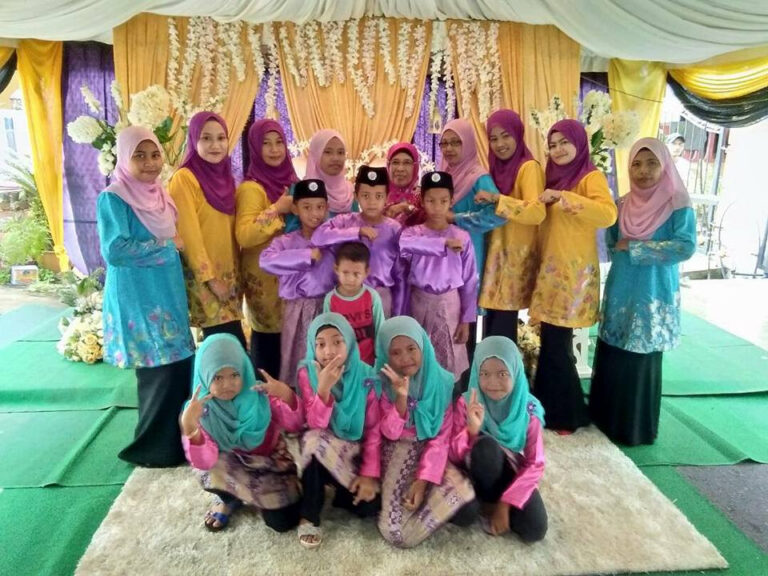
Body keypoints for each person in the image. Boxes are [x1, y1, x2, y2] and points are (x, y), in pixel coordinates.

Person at [97, 126, 195, 468]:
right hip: (139, 294)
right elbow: (115, 250)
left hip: (167, 290)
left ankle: (179, 441)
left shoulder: (159, 194)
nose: (150, 163)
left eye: (154, 155)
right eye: (139, 156)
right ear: (125, 158)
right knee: (158, 368)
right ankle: (152, 448)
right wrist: (166, 247)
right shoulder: (114, 198)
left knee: (178, 364)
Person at [590, 138, 696, 446]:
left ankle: (633, 429)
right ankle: (604, 419)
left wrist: (638, 248)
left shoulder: (677, 203)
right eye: (636, 164)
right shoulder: (623, 203)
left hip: (653, 291)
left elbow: (685, 246)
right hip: (622, 287)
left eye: (651, 164)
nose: (643, 171)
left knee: (641, 356)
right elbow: (611, 242)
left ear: (665, 166)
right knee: (614, 351)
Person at [529, 119, 617, 433]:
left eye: (564, 142)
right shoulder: (551, 176)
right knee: (551, 340)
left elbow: (608, 214)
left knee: (558, 343)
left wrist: (566, 198)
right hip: (551, 270)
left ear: (579, 143)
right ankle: (549, 407)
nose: (558, 150)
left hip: (573, 273)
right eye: (552, 145)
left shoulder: (590, 177)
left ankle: (567, 414)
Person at [180, 334, 302, 533]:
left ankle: (258, 497)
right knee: (209, 469)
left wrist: (287, 395)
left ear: (244, 370)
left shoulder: (260, 395)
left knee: (283, 522)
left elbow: (295, 425)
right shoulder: (199, 412)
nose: (227, 384)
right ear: (204, 376)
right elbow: (204, 462)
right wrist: (191, 429)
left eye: (234, 375)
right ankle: (229, 499)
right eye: (217, 377)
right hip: (231, 469)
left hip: (269, 466)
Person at [376, 316, 477, 548]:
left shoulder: (441, 382)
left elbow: (441, 438)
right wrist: (401, 398)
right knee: (396, 533)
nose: (405, 358)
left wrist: (422, 481)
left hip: (431, 450)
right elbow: (389, 433)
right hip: (396, 448)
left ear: (423, 346)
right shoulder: (380, 382)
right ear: (385, 355)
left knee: (467, 509)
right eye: (395, 353)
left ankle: (427, 495)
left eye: (411, 348)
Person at [295, 313, 382, 548]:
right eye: (321, 344)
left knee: (369, 507)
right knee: (314, 441)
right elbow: (314, 424)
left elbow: (373, 430)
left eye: (337, 342)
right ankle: (309, 513)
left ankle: (338, 490)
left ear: (350, 343)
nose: (329, 351)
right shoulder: (307, 373)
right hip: (321, 446)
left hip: (354, 451)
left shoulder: (367, 376)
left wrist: (369, 475)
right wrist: (323, 390)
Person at [450, 336, 547, 542]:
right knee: (486, 447)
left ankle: (494, 503)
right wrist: (471, 431)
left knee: (535, 529)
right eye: (484, 374)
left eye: (502, 374)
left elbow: (535, 463)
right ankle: (483, 502)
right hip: (473, 472)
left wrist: (506, 503)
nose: (493, 383)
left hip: (508, 470)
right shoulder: (466, 403)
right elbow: (453, 456)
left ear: (515, 371)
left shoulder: (528, 409)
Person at [168, 111, 245, 348]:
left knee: (229, 347)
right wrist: (211, 280)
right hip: (207, 279)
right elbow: (188, 235)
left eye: (221, 138)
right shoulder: (184, 179)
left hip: (230, 277)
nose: (215, 145)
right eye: (206, 138)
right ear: (194, 140)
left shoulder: (227, 178)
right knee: (228, 347)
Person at [399, 172, 478, 381]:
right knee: (417, 361)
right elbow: (405, 245)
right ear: (422, 201)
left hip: (450, 305)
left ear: (451, 201)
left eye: (443, 201)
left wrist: (466, 320)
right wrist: (443, 244)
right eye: (431, 201)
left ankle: (449, 399)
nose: (437, 207)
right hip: (419, 303)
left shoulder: (462, 237)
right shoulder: (412, 234)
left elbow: (470, 281)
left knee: (449, 365)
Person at [438, 119, 506, 358]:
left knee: (464, 324)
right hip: (445, 256)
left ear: (467, 143)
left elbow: (499, 215)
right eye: (444, 143)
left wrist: (457, 218)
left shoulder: (479, 177)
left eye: (456, 142)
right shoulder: (445, 173)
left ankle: (466, 378)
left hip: (469, 255)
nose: (449, 149)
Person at [236, 119, 298, 377]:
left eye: (279, 142)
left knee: (292, 349)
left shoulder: (292, 181)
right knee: (269, 355)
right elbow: (245, 235)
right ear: (254, 148)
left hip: (292, 280)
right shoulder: (251, 188)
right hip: (265, 284)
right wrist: (277, 210)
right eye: (266, 143)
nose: (274, 149)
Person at [477, 110, 546, 343]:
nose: (500, 144)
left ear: (518, 134)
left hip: (513, 262)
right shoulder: (496, 168)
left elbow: (536, 212)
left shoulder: (528, 168)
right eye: (493, 138)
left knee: (501, 334)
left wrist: (498, 200)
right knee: (491, 332)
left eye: (506, 136)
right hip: (495, 260)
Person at [260, 179, 335, 387]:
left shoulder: (334, 241)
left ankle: (325, 402)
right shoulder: (285, 242)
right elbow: (265, 261)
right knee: (296, 361)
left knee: (327, 361)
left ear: (327, 208)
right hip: (296, 310)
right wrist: (306, 256)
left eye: (320, 207)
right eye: (307, 207)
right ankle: (296, 402)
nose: (314, 213)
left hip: (327, 308)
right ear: (295, 209)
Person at [312, 166, 405, 316]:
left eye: (378, 196)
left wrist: (398, 314)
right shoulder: (346, 221)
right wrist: (356, 232)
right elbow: (318, 237)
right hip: (347, 296)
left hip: (381, 299)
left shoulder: (394, 229)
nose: (372, 202)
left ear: (387, 197)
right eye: (365, 195)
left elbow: (400, 274)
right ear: (356, 196)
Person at [322, 242, 386, 365]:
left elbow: (380, 330)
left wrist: (380, 360)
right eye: (345, 273)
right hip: (341, 364)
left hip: (368, 364)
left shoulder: (372, 296)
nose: (350, 279)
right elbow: (327, 333)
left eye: (356, 274)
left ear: (366, 272)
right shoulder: (330, 299)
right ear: (336, 269)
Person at [284, 129, 357, 233]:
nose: (336, 158)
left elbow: (358, 225)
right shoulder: (300, 189)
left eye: (340, 152)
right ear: (316, 154)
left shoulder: (349, 191)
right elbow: (291, 231)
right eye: (328, 152)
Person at [385, 142, 423, 226]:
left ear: (415, 167)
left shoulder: (423, 196)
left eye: (407, 163)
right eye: (395, 162)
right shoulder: (379, 194)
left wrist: (407, 208)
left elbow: (433, 220)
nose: (400, 169)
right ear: (388, 166)